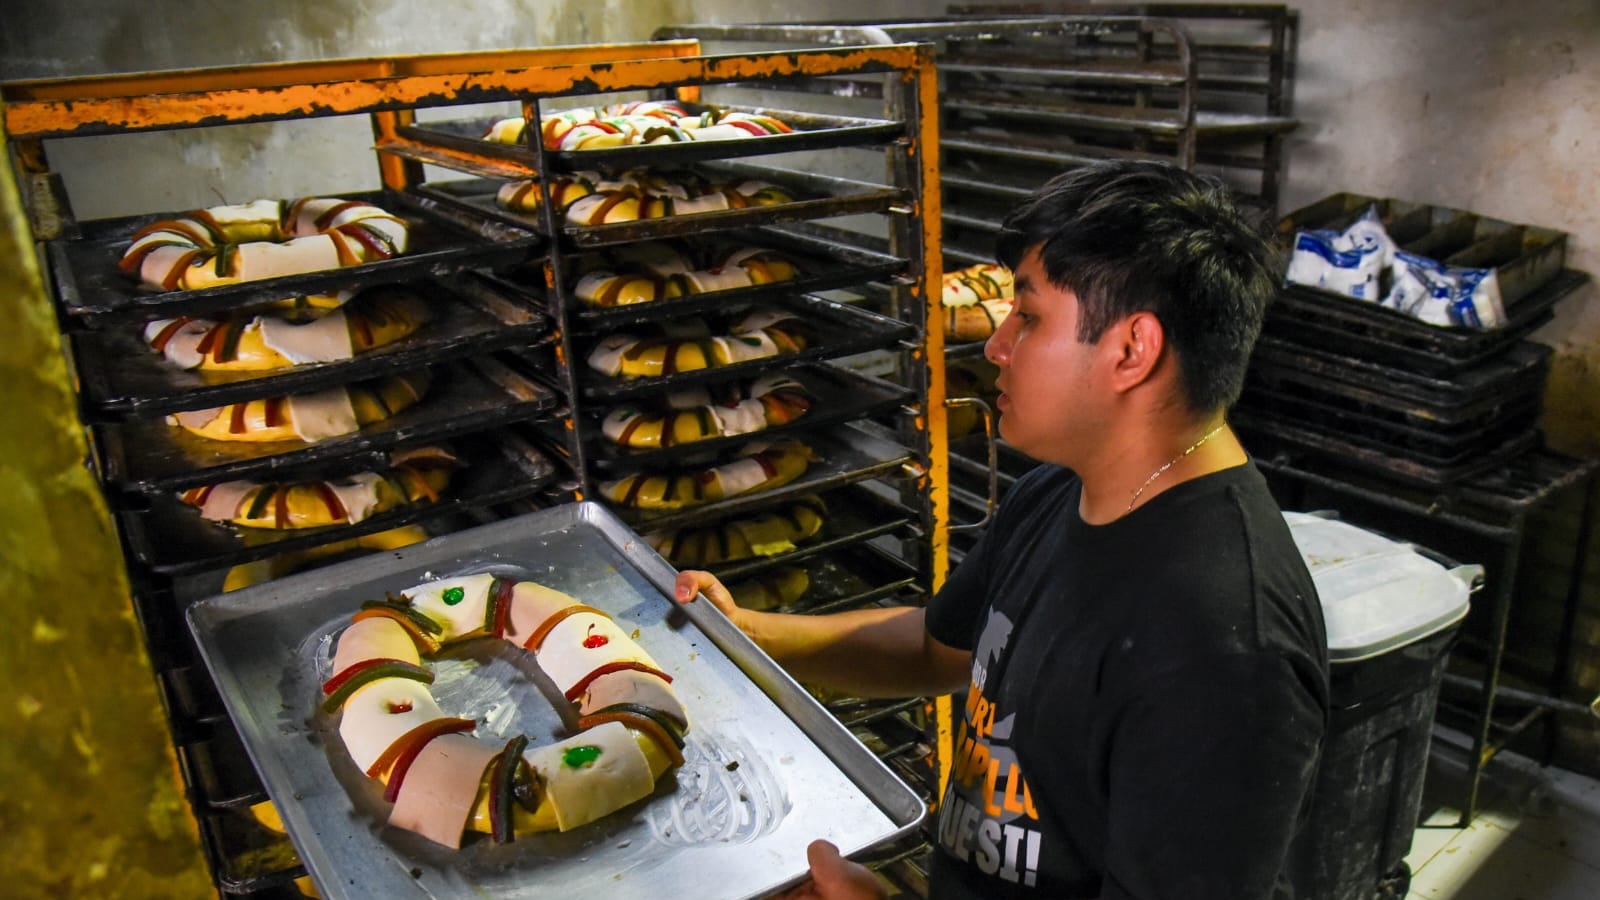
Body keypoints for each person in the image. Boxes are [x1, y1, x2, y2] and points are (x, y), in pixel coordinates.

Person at [675, 160, 1330, 900]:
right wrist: (741, 635)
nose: (995, 346)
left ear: (1130, 350)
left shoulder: (1223, 647)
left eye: (1029, 316)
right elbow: (934, 648)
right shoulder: (1065, 488)